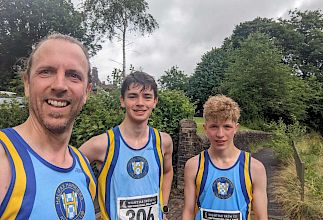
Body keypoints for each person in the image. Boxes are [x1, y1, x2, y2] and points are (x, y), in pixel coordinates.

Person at [0, 33, 96, 219]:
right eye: (46, 71)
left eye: (73, 75)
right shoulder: (4, 159)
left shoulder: (83, 167)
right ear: (27, 83)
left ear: (86, 93)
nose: (59, 85)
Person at [80, 71, 174, 220]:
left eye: (147, 97)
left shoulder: (164, 142)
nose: (140, 103)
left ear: (155, 102)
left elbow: (168, 172)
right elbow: (70, 175)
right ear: (122, 101)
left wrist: (164, 207)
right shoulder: (100, 145)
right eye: (132, 96)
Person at [182, 95, 268, 220]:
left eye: (227, 127)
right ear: (205, 129)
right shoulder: (193, 165)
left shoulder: (255, 168)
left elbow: (261, 217)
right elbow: (188, 212)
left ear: (236, 128)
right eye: (214, 126)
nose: (220, 134)